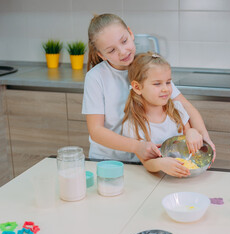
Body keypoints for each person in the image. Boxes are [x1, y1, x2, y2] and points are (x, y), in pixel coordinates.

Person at [82, 13, 215, 162]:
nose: (123, 51)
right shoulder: (96, 77)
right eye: (111, 50)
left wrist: (204, 137)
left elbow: (186, 107)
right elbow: (96, 131)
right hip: (106, 161)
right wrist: (137, 146)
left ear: (130, 33)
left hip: (144, 161)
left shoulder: (146, 66)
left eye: (124, 41)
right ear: (102, 55)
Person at [122, 52, 203, 177]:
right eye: (157, 84)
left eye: (168, 82)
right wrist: (160, 164)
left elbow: (188, 134)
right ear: (137, 87)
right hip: (153, 179)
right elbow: (147, 163)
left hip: (182, 177)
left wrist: (193, 132)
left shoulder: (177, 110)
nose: (165, 89)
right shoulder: (133, 125)